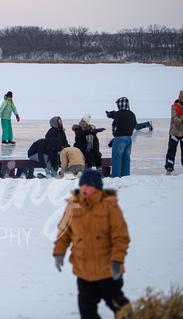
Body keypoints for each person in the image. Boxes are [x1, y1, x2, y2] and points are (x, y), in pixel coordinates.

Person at [53, 169, 131, 318]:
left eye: (87, 186)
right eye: (82, 185)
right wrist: (59, 252)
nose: (83, 189)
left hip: (108, 270)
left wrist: (117, 260)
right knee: (87, 309)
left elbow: (120, 237)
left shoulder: (110, 206)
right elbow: (63, 234)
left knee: (117, 304)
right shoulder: (73, 206)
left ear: (97, 188)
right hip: (84, 271)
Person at [106, 97, 137, 177]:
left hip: (120, 138)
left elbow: (114, 126)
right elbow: (134, 125)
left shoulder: (118, 114)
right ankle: (125, 175)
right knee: (126, 158)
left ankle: (116, 176)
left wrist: (114, 133)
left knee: (117, 158)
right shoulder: (132, 114)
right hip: (129, 138)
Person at [165, 90, 183, 174]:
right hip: (174, 133)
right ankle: (169, 166)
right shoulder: (174, 107)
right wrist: (180, 121)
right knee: (171, 150)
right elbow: (174, 117)